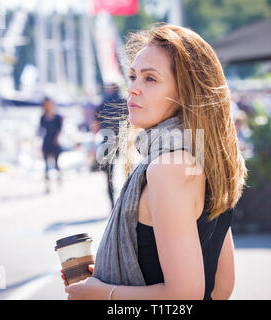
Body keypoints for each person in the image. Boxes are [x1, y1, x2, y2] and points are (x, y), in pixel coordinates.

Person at [63, 24, 247, 300]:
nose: (133, 89)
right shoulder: (206, 156)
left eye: (150, 79)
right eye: (133, 76)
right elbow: (221, 286)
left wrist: (104, 294)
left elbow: (185, 295)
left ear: (186, 92)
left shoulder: (169, 168)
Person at [91, 83, 128, 210]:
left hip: (115, 142)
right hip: (119, 141)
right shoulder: (121, 101)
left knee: (113, 176)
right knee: (117, 175)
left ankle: (116, 205)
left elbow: (95, 125)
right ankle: (118, 204)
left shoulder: (105, 102)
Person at [38, 97, 63, 193]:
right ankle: (47, 186)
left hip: (55, 143)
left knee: (56, 164)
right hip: (46, 143)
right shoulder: (43, 117)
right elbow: (41, 131)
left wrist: (57, 138)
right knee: (46, 166)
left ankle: (59, 180)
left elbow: (59, 129)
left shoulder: (56, 117)